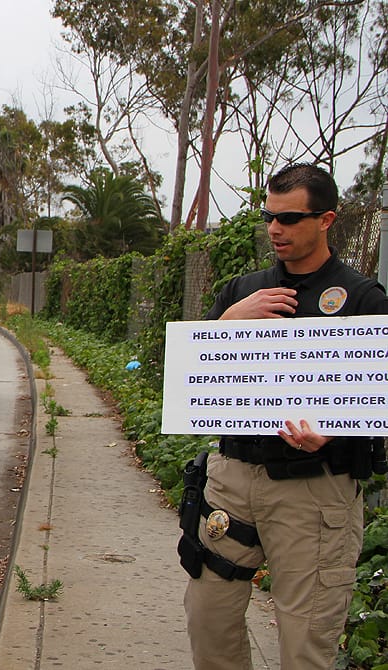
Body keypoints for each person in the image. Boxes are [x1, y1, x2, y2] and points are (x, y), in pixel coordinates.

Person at [183, 163, 388, 669]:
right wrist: (227, 321)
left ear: (326, 220)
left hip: (313, 493)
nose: (275, 229)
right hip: (232, 480)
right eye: (269, 216)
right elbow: (194, 377)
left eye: (290, 218)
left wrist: (333, 438)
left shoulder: (363, 299)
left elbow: (376, 404)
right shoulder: (242, 291)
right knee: (209, 623)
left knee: (305, 642)